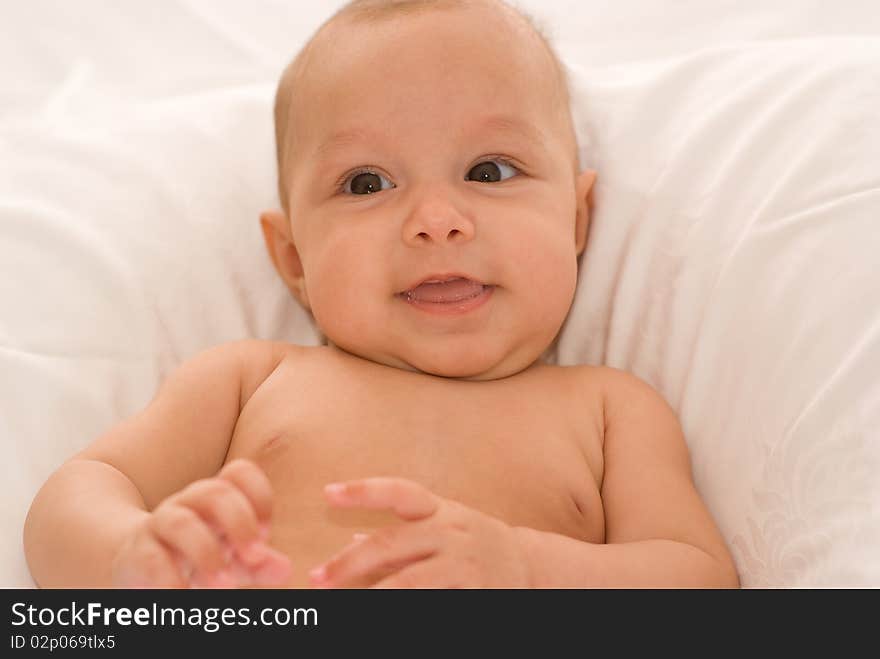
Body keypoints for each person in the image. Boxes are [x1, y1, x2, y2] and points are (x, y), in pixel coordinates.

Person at [23, 0, 739, 589]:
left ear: (578, 220)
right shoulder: (251, 380)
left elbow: (699, 578)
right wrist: (127, 554)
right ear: (294, 259)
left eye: (490, 170)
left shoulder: (611, 411)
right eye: (367, 183)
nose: (436, 222)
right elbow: (81, 487)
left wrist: (530, 566)